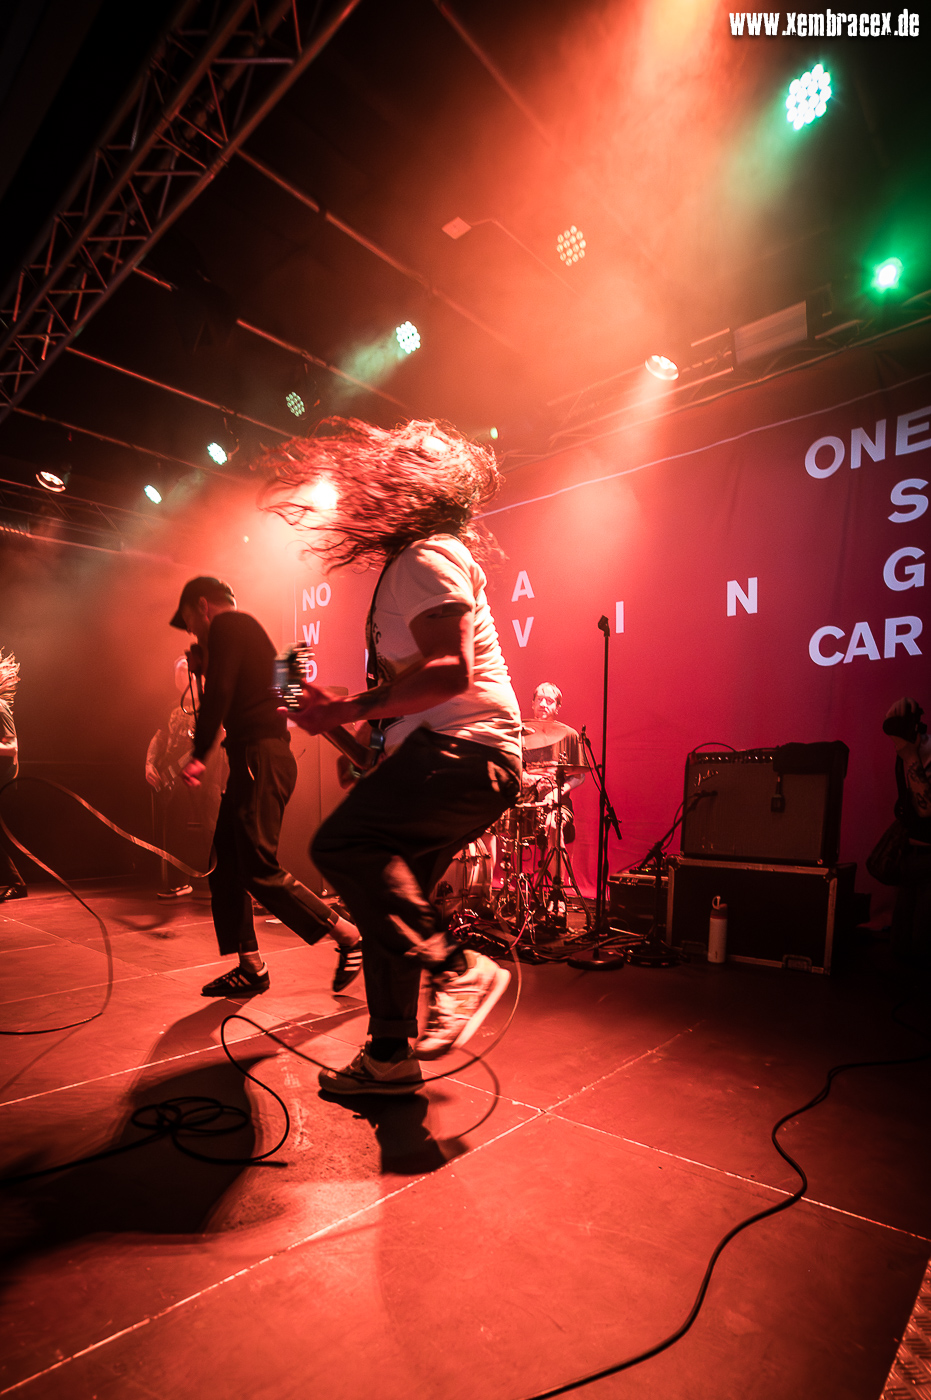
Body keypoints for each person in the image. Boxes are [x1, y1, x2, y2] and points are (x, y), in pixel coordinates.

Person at [262, 418, 522, 1094]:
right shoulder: (418, 562)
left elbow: (450, 673)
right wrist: (351, 735)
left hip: (463, 751)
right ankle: (388, 1055)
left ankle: (457, 971)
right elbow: (414, 694)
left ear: (412, 487)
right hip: (453, 754)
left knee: (344, 846)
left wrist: (345, 709)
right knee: (393, 908)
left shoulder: (425, 556)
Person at [169, 576, 361, 996]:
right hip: (252, 758)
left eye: (188, 621)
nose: (191, 632)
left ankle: (348, 934)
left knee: (256, 866)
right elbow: (251, 688)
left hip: (261, 757)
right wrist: (205, 666)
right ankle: (251, 966)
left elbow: (222, 692)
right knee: (225, 863)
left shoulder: (228, 624)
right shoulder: (242, 634)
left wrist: (200, 753)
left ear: (202, 606)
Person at [145, 656, 224, 899]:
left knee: (213, 826)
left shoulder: (211, 706)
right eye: (179, 670)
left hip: (206, 776)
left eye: (187, 669)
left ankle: (225, 883)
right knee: (174, 828)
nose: (184, 673)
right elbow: (160, 736)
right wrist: (149, 763)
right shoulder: (171, 706)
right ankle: (179, 882)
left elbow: (218, 737)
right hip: (174, 777)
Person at [883, 695, 931, 965]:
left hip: (928, 859)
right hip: (912, 856)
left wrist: (910, 754)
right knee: (901, 946)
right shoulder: (907, 751)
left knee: (921, 947)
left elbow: (926, 809)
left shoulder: (917, 752)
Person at [521, 682, 585, 850]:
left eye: (549, 701)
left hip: (557, 803)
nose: (543, 704)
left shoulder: (570, 735)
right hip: (524, 803)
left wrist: (557, 793)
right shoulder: (519, 734)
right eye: (539, 699)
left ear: (557, 707)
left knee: (554, 826)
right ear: (532, 704)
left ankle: (557, 867)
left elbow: (579, 776)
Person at [0, 649, 27, 902]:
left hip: (4, 777)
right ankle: (15, 881)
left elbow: (12, 746)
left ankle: (17, 883)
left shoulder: (0, 707)